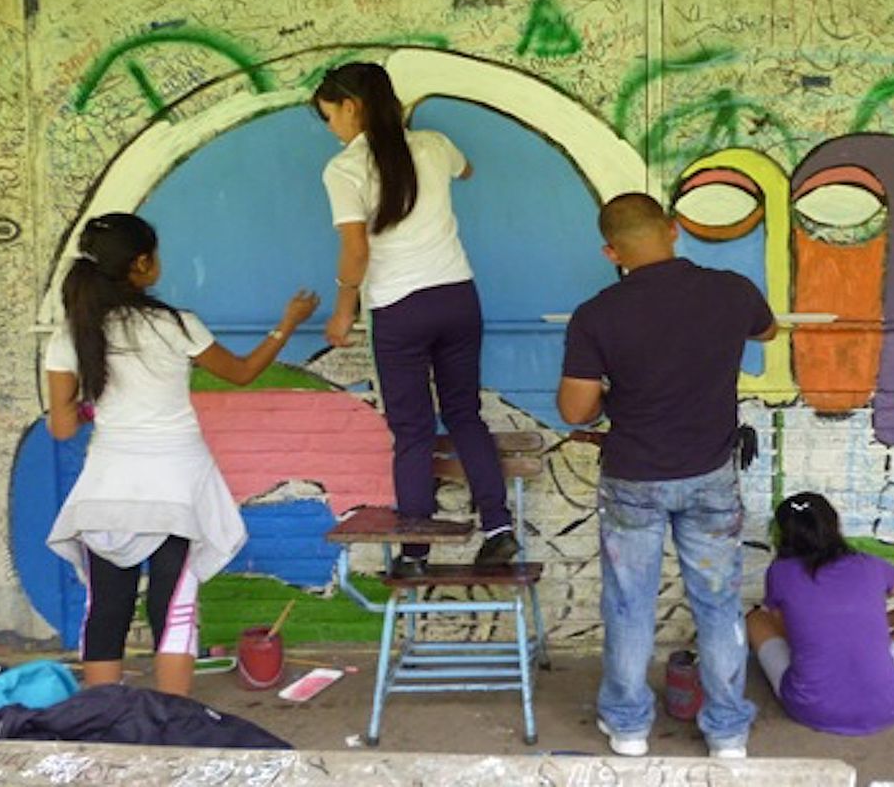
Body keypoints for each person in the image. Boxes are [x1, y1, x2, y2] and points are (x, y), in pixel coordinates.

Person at [45, 213, 319, 696]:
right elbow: (240, 373)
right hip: (177, 489)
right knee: (174, 611)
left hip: (107, 490)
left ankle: (106, 724)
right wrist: (286, 325)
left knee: (106, 609)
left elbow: (62, 426)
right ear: (142, 263)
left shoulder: (71, 335)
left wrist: (95, 407)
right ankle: (170, 728)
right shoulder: (175, 324)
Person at [558, 192, 777, 759]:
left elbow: (576, 411)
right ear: (674, 229)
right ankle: (727, 732)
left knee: (630, 605)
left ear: (611, 251)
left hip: (634, 478)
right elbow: (767, 331)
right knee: (718, 603)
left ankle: (629, 729)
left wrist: (611, 388)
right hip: (711, 475)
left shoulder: (596, 315)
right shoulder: (732, 291)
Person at [313, 63, 516, 576]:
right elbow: (466, 170)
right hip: (457, 297)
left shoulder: (344, 169)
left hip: (400, 308)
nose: (331, 127)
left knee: (412, 429)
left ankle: (416, 552)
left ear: (353, 107)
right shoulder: (432, 145)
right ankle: (498, 528)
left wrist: (343, 310)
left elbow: (355, 251)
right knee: (464, 413)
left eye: (329, 116)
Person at [746, 492, 894, 735]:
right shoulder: (872, 565)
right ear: (835, 525)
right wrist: (883, 623)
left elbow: (787, 628)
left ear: (782, 533)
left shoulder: (779, 573)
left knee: (756, 619)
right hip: (887, 708)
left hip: (809, 708)